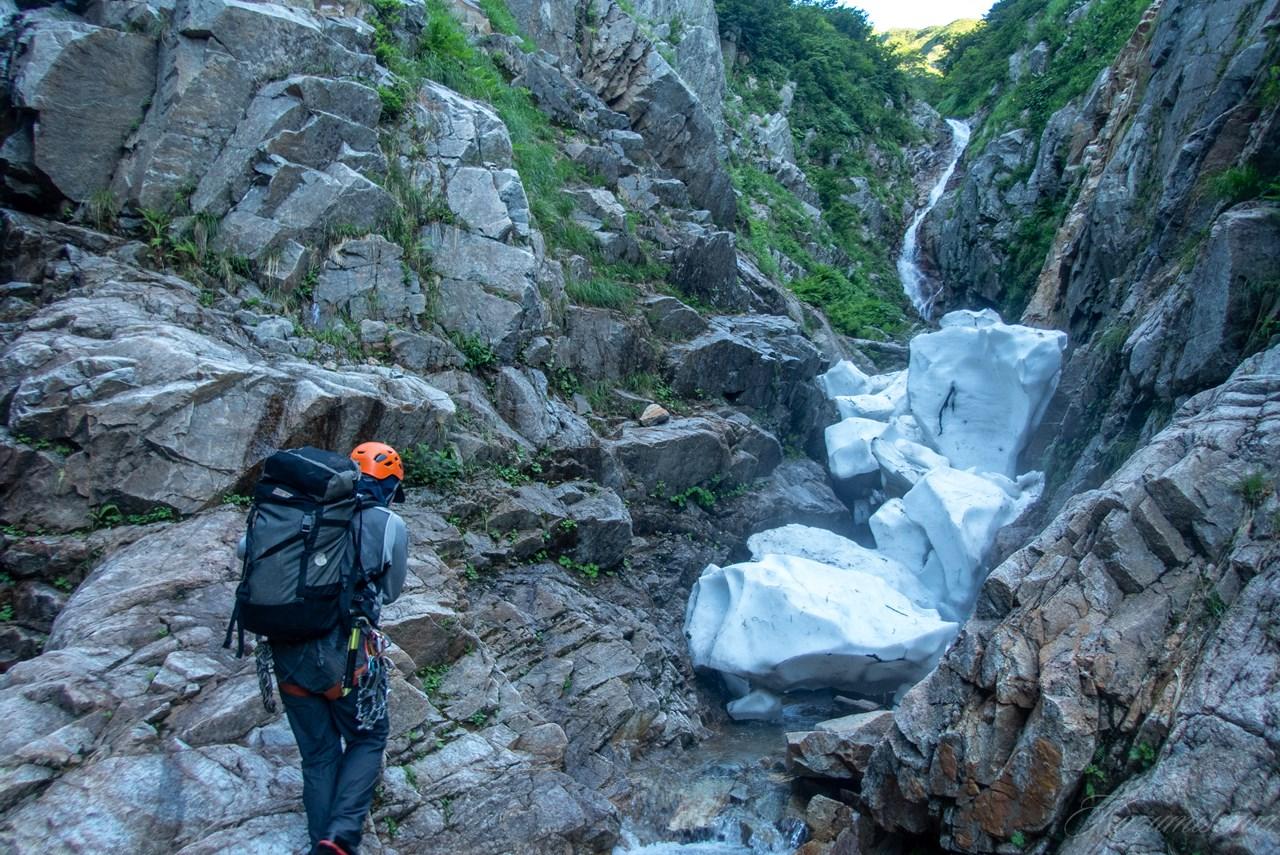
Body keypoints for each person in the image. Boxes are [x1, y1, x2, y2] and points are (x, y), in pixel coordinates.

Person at [269, 442, 409, 855]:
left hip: (286, 647)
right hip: (345, 655)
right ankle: (341, 835)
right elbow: (392, 591)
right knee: (368, 738)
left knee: (317, 755)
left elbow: (249, 555)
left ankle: (322, 844)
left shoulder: (298, 508)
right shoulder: (387, 523)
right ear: (387, 484)